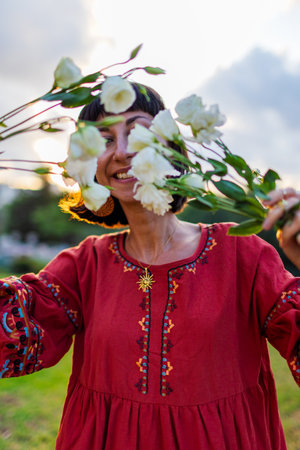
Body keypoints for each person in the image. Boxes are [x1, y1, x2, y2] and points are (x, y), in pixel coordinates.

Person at [0, 83, 299, 450]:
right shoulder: (83, 268)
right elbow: (14, 332)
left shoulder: (242, 254)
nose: (123, 152)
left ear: (170, 148)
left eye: (137, 132)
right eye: (104, 140)